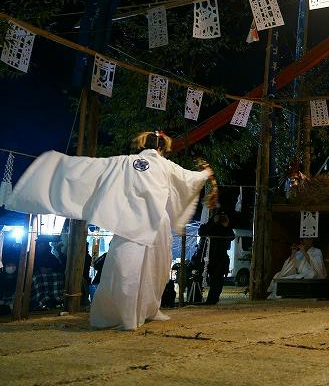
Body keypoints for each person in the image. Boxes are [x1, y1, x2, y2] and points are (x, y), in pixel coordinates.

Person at [6, 131, 213, 330]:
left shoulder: (123, 162)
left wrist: (60, 165)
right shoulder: (166, 166)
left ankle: (128, 315)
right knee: (156, 269)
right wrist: (205, 173)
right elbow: (188, 179)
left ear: (145, 145)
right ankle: (149, 309)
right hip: (157, 222)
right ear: (161, 148)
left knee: (124, 269)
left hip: (129, 222)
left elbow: (92, 169)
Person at [198, 212, 235, 305]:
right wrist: (213, 222)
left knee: (217, 280)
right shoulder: (208, 225)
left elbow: (232, 236)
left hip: (220, 257)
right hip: (206, 256)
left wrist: (226, 225)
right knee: (199, 277)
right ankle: (197, 297)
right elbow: (202, 232)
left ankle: (212, 300)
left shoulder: (225, 228)